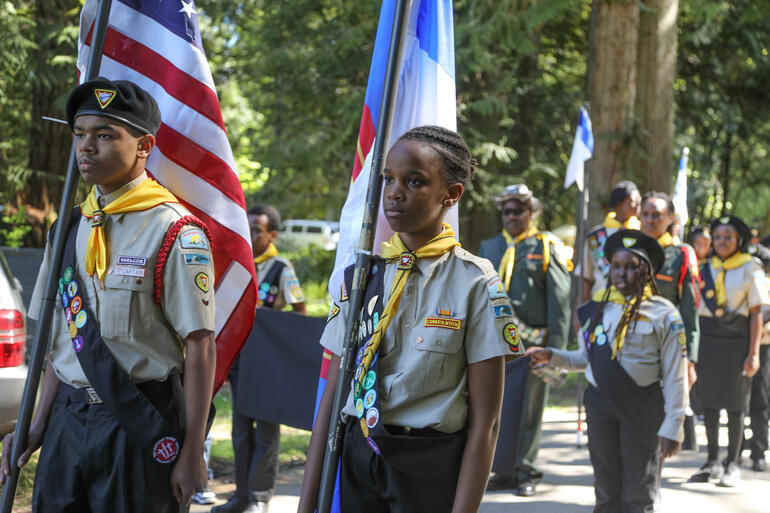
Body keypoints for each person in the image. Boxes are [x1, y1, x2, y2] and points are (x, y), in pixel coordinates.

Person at [0, 78, 216, 512]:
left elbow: (199, 346)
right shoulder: (69, 229)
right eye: (80, 135)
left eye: (104, 135)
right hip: (67, 421)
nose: (86, 147)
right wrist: (37, 422)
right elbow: (66, 337)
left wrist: (192, 451)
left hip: (136, 423)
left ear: (143, 146)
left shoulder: (174, 229)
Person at [297, 126, 525, 513]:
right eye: (389, 179)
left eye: (414, 181)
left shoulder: (475, 282)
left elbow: (487, 421)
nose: (394, 192)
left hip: (429, 465)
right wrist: (306, 504)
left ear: (451, 194)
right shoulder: (362, 277)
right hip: (359, 451)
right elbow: (332, 399)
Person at [527, 229, 688, 513]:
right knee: (605, 485)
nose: (621, 274)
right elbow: (585, 360)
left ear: (647, 272)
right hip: (600, 405)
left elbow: (677, 375)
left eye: (630, 267)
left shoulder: (665, 314)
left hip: (642, 406)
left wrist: (673, 426)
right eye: (616, 266)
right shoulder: (597, 310)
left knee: (638, 489)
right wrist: (550, 355)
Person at [478, 184, 571, 496]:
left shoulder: (546, 246)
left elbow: (560, 303)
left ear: (532, 212)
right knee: (498, 406)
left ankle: (526, 470)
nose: (512, 216)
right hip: (494, 344)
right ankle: (503, 469)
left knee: (529, 409)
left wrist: (554, 351)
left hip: (533, 342)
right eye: (507, 211)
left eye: (519, 210)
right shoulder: (489, 248)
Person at [214, 205, 306, 513]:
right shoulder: (239, 261)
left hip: (268, 362)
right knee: (240, 430)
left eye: (257, 230)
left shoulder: (281, 267)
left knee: (266, 431)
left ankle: (259, 497)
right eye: (248, 227)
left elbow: (299, 311)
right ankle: (240, 495)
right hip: (240, 359)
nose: (251, 234)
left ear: (272, 234)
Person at [690, 215, 770, 486]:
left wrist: (754, 353)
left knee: (737, 405)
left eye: (729, 237)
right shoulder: (703, 269)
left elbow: (757, 312)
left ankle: (732, 463)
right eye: (719, 237)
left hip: (738, 342)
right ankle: (712, 460)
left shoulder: (750, 268)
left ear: (739, 240)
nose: (723, 242)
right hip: (709, 341)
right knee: (709, 402)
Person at [639, 192, 700, 449]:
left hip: (667, 344)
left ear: (670, 218)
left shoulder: (682, 254)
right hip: (631, 343)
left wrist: (690, 359)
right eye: (646, 214)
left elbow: (689, 311)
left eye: (657, 215)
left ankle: (651, 481)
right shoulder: (629, 248)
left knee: (661, 421)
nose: (651, 220)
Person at [581, 181, 642, 302]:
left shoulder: (642, 233)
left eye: (639, 201)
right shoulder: (596, 237)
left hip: (633, 303)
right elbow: (587, 277)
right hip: (601, 302)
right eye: (633, 201)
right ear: (619, 204)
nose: (637, 205)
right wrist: (581, 309)